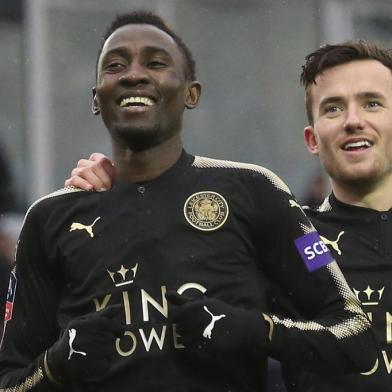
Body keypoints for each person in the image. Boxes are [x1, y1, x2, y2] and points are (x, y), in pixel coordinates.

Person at [0, 12, 376, 391]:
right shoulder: (49, 219)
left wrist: (259, 330)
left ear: (190, 93)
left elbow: (355, 335)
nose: (134, 74)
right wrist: (54, 367)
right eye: (115, 65)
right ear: (97, 98)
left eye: (156, 62)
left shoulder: (257, 190)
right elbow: (9, 381)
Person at [280, 41, 392, 391]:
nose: (353, 121)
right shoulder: (294, 242)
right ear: (312, 139)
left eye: (372, 103)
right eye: (333, 109)